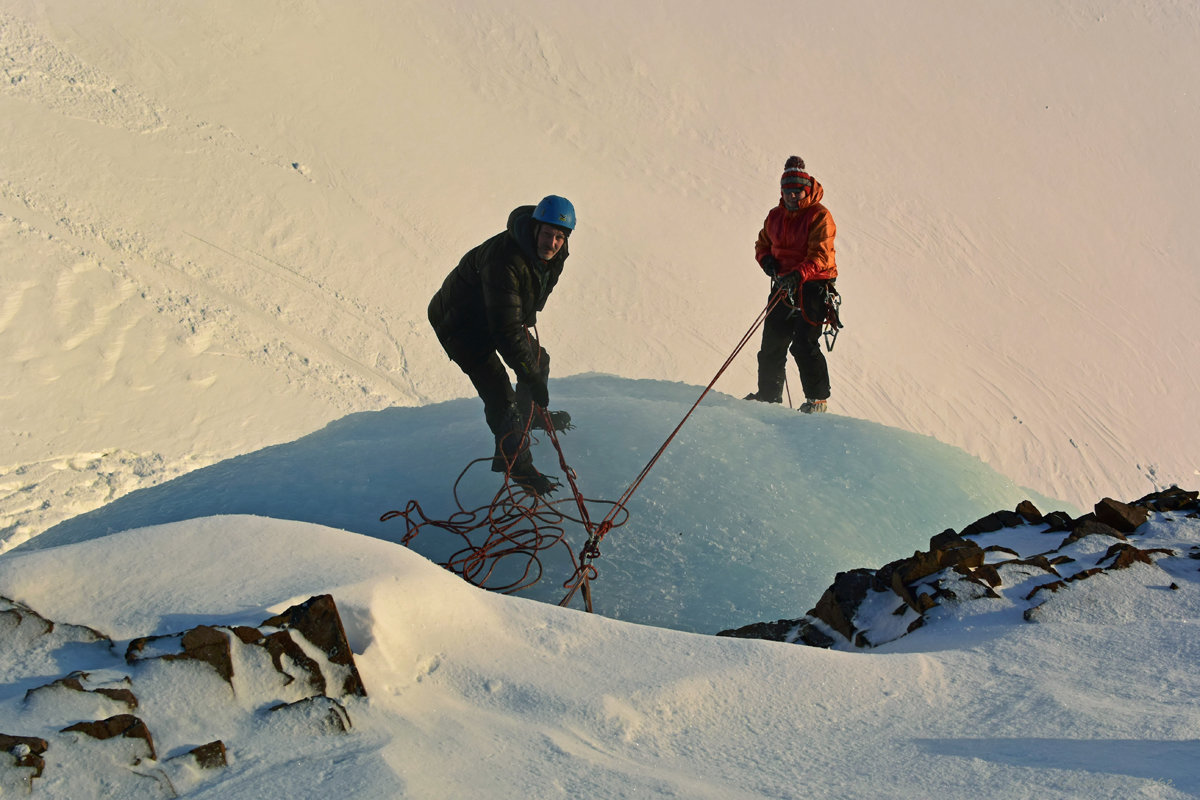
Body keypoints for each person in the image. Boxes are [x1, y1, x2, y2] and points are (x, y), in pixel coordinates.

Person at [427, 195, 576, 495]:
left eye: (560, 236)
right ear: (535, 229)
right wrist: (531, 378)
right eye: (548, 234)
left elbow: (524, 304)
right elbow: (506, 332)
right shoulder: (504, 260)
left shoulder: (553, 256)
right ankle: (517, 466)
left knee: (538, 360)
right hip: (460, 324)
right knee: (500, 394)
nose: (553, 242)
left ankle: (529, 415)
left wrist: (533, 373)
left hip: (495, 314)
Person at [745, 156, 838, 413]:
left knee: (804, 344)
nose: (792, 197)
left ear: (807, 190)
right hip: (784, 284)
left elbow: (821, 255)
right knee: (772, 344)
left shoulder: (820, 216)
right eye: (788, 192)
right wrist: (766, 262)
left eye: (797, 192)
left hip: (814, 286)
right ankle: (768, 396)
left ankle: (817, 400)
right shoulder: (774, 216)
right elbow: (762, 244)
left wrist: (798, 274)